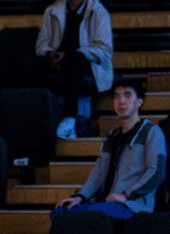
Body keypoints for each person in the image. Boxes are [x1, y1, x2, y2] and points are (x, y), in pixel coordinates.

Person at [54, 78, 166, 221]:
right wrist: (80, 197)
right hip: (107, 203)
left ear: (139, 102)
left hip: (132, 205)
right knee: (60, 212)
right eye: (116, 97)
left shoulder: (151, 132)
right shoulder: (111, 137)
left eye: (127, 95)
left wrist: (126, 195)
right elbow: (98, 174)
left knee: (83, 215)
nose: (121, 101)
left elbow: (157, 172)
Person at [33, 0, 114, 139]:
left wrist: (71, 54)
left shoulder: (98, 12)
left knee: (74, 60)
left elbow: (104, 52)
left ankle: (69, 118)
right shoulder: (52, 11)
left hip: (88, 64)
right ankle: (30, 117)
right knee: (28, 63)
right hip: (58, 61)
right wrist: (50, 54)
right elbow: (41, 46)